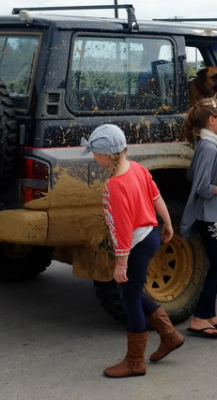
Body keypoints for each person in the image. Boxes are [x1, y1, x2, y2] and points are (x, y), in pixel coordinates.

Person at [82, 124, 184, 378]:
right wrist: (168, 222)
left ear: (106, 155)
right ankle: (169, 335)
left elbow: (122, 229)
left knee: (130, 300)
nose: (93, 157)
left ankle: (135, 362)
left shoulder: (115, 185)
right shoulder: (137, 168)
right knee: (134, 293)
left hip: (136, 244)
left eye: (94, 153)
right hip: (149, 236)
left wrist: (120, 263)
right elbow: (156, 196)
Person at [180, 97, 217, 339]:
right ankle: (199, 318)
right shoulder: (208, 147)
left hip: (214, 214)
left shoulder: (212, 144)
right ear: (212, 120)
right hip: (209, 216)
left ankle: (210, 314)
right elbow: (201, 187)